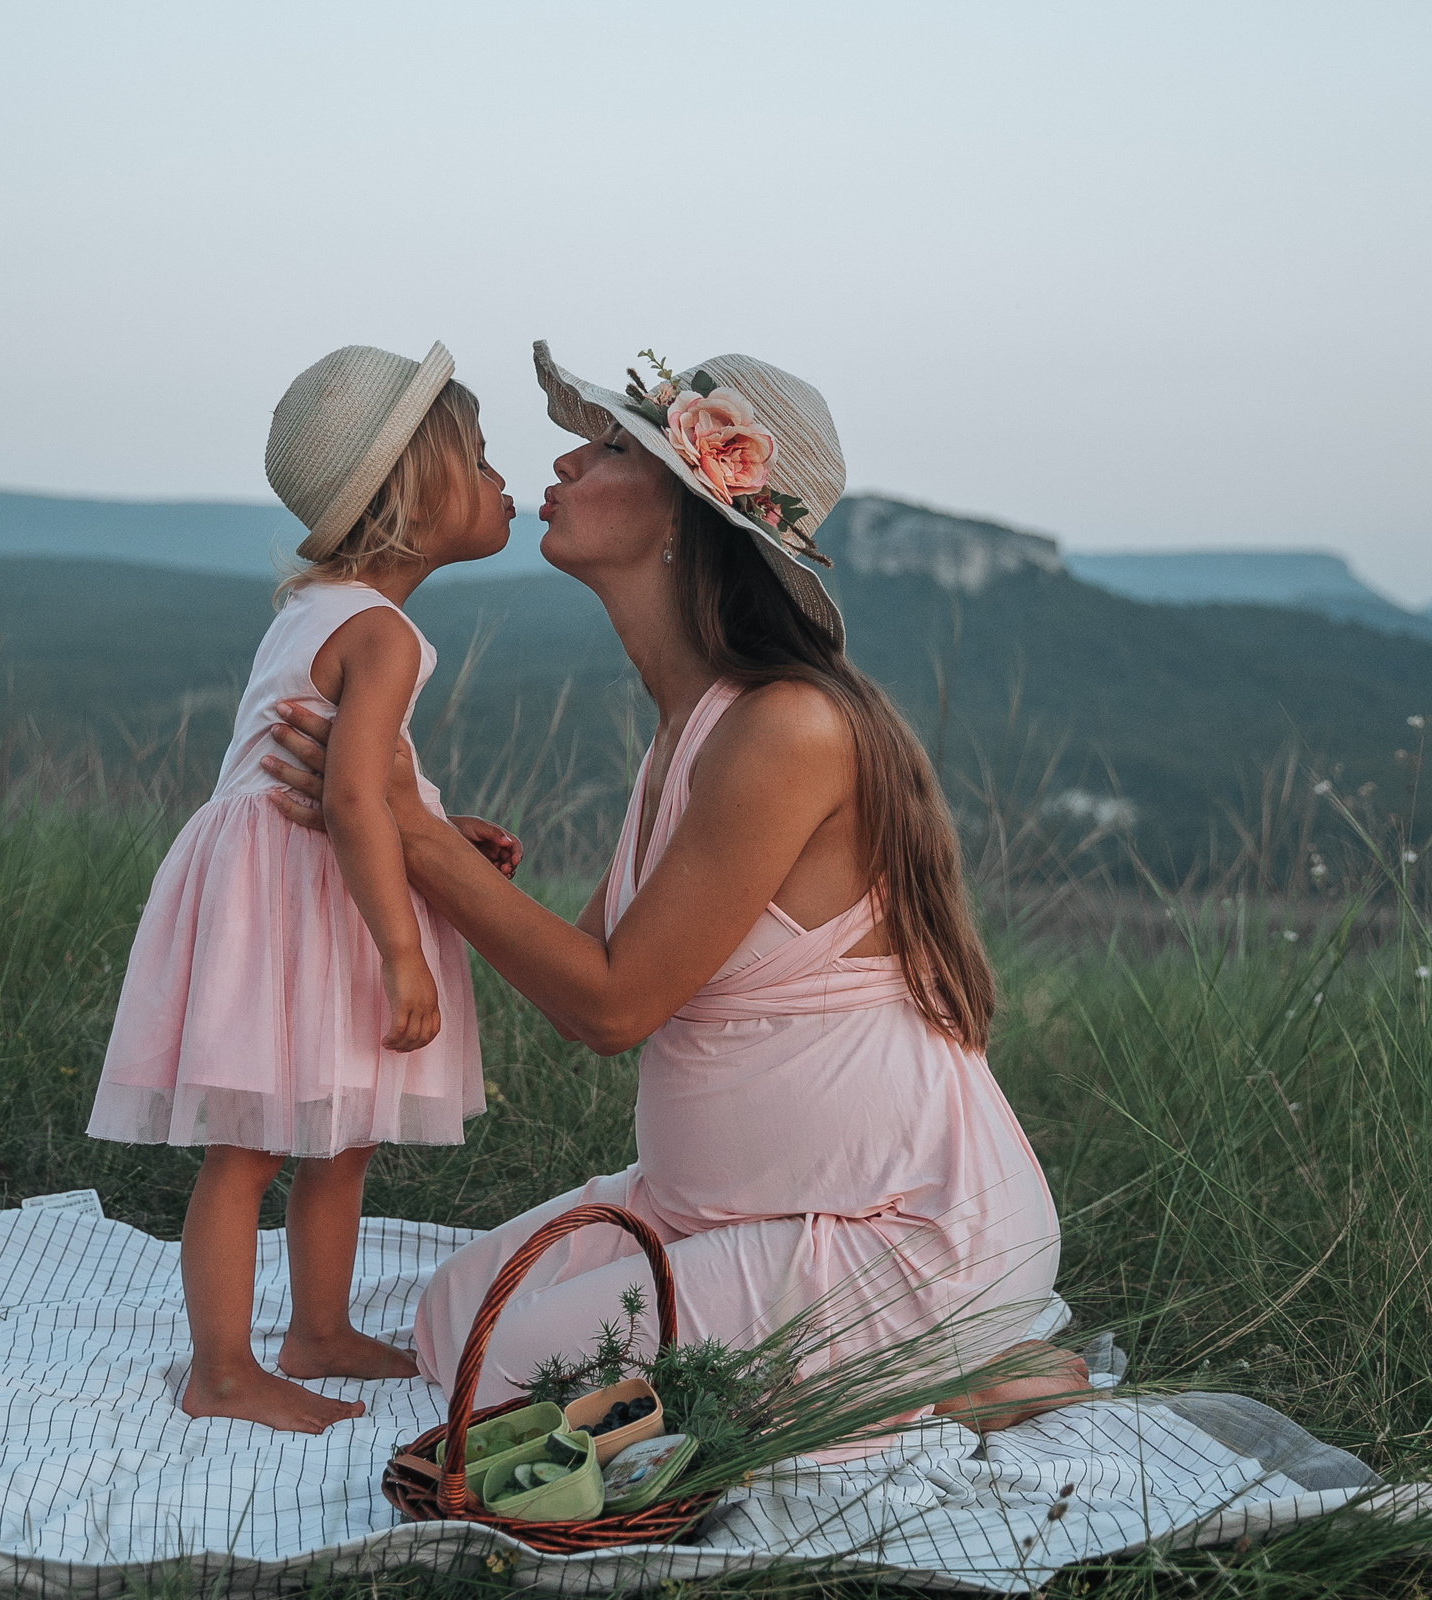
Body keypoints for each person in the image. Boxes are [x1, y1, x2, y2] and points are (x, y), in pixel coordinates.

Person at [263, 342, 1086, 1441]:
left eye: (606, 448)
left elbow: (611, 1008)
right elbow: (580, 976)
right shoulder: (686, 734)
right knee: (447, 1318)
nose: (560, 462)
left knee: (507, 1366)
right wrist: (400, 829)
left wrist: (404, 824)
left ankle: (951, 1370)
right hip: (713, 1208)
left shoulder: (786, 729)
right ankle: (831, 1351)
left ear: (683, 516)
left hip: (894, 1229)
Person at [87, 342, 525, 1434]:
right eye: (477, 458)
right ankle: (222, 1369)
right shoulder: (381, 632)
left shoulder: (323, 607)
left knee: (340, 1130)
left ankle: (317, 1331)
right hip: (304, 903)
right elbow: (346, 802)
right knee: (252, 1146)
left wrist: (441, 822)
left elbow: (355, 773)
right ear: (417, 498)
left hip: (296, 886)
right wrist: (402, 948)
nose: (501, 479)